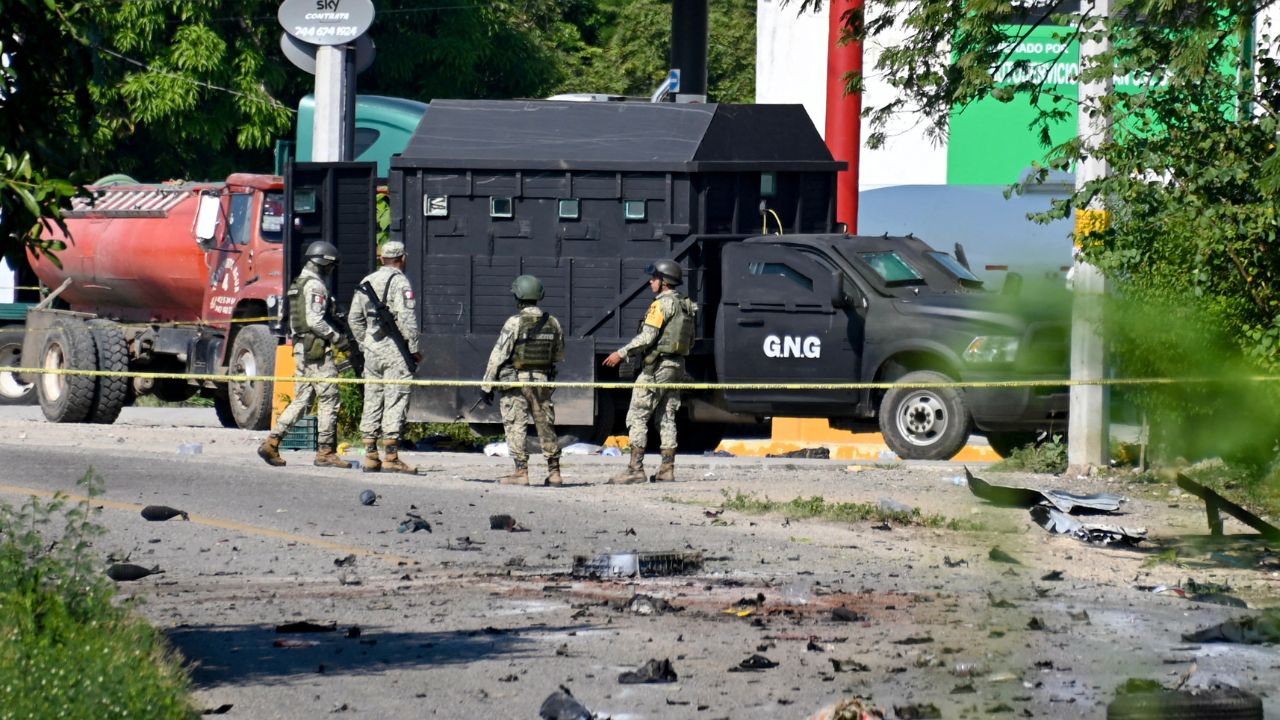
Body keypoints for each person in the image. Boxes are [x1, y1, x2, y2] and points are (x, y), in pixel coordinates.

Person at [258, 240, 352, 468]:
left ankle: (272, 441)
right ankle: (326, 451)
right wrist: (338, 338)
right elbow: (315, 321)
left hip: (301, 348)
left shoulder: (298, 283)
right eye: (330, 266)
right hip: (316, 350)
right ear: (323, 263)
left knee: (303, 399)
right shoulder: (315, 286)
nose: (331, 271)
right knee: (330, 397)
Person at [602, 259, 696, 484]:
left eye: (654, 278)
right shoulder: (685, 304)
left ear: (664, 282)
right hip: (677, 366)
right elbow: (690, 340)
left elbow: (648, 337)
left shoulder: (661, 305)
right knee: (666, 416)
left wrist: (621, 353)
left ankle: (635, 469)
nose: (650, 282)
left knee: (637, 415)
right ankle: (667, 468)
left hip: (657, 367)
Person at [481, 275, 566, 486]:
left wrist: (487, 385)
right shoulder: (553, 322)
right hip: (542, 381)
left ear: (518, 296)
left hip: (516, 383)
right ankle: (554, 473)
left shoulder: (515, 322)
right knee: (546, 425)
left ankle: (521, 473)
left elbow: (498, 355)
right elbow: (559, 355)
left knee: (515, 425)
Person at [349, 240, 422, 474]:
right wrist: (413, 349)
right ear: (403, 258)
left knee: (372, 396)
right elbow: (407, 318)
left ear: (382, 258)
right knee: (396, 396)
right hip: (395, 351)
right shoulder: (400, 282)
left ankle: (370, 454)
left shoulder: (366, 281)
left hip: (371, 351)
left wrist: (365, 342)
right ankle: (391, 456)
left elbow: (354, 319)